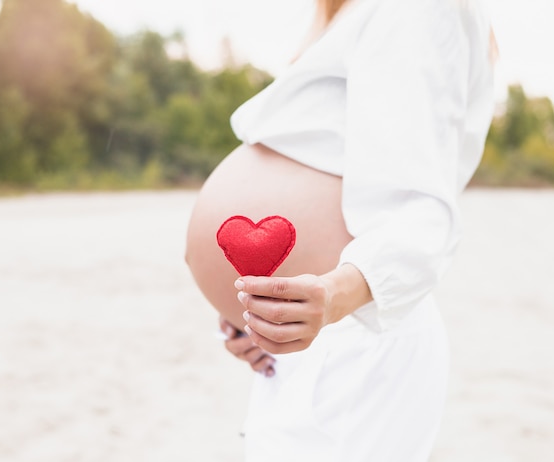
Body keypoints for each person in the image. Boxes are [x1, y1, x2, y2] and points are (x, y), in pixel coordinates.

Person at [185, 0, 496, 460]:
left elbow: (424, 209)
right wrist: (251, 316)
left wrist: (334, 294)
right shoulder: (349, 15)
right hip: (314, 341)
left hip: (357, 335)